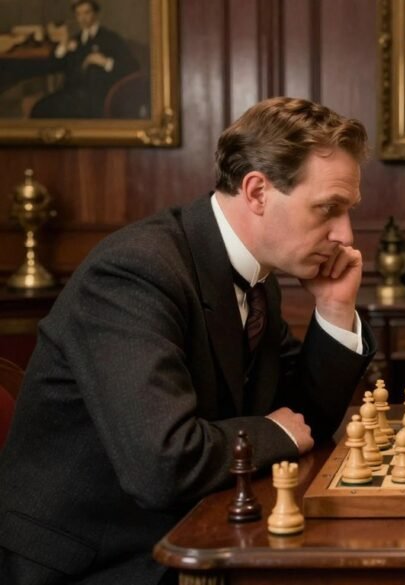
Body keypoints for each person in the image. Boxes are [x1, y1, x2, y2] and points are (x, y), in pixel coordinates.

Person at [0, 97, 376, 584]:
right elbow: (164, 464)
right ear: (258, 191)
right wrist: (277, 432)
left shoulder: (258, 278)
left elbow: (305, 421)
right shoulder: (136, 272)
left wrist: (334, 309)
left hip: (192, 532)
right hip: (94, 563)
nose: (345, 234)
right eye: (329, 209)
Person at [30, 0, 140, 118]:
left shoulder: (110, 38)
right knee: (39, 109)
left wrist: (105, 62)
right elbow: (52, 66)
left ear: (96, 14)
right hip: (71, 96)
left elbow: (132, 67)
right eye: (78, 14)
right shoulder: (74, 40)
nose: (82, 18)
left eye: (87, 13)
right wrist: (62, 47)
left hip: (97, 99)